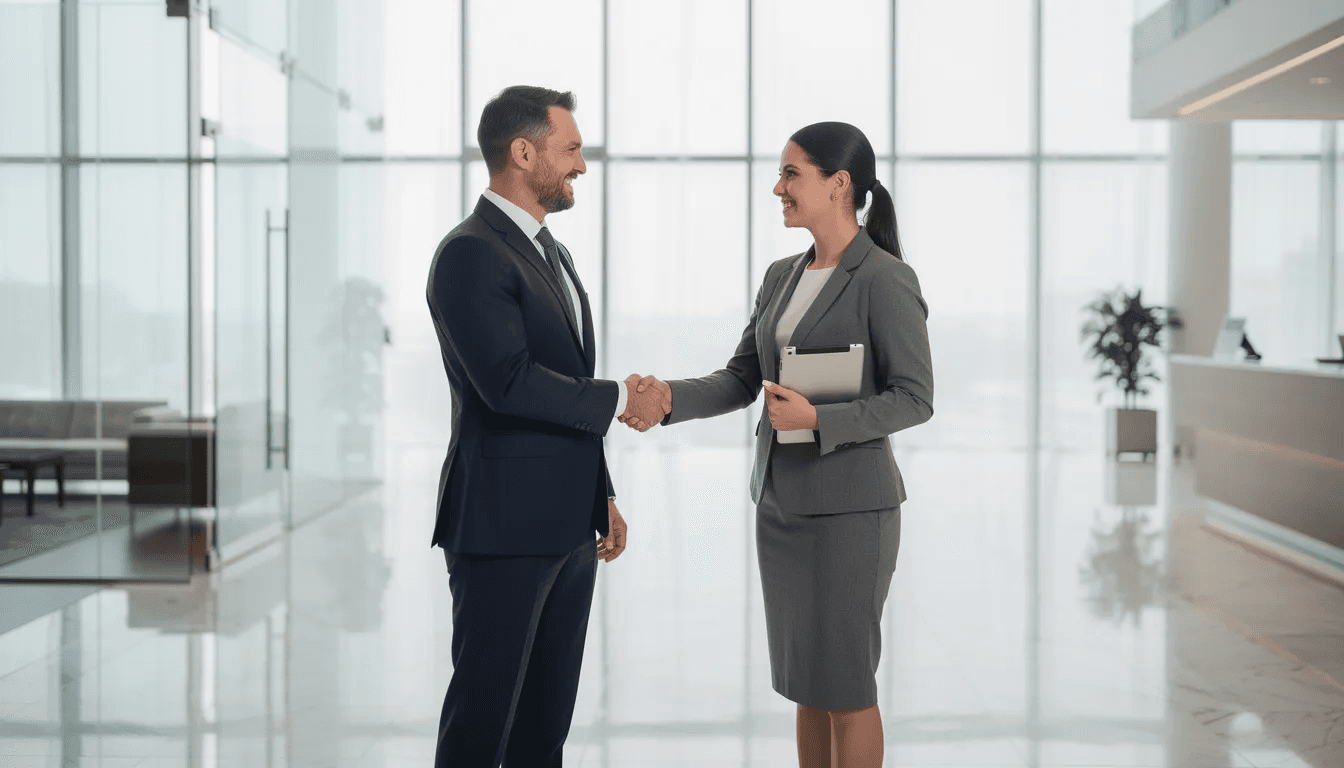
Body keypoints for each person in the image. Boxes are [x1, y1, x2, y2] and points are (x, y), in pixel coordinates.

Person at [623, 122, 934, 768]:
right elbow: (743, 378)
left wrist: (821, 420)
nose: (778, 188)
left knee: (846, 684)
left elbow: (915, 396)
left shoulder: (884, 279)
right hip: (783, 508)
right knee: (807, 684)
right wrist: (667, 400)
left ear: (839, 184)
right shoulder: (780, 276)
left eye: (792, 174)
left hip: (851, 513)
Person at [425, 85, 670, 768]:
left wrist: (602, 493)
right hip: (504, 529)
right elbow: (507, 384)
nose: (581, 166)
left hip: (566, 529)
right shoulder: (470, 253)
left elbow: (558, 380)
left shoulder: (549, 252)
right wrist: (622, 394)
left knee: (544, 725)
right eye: (570, 149)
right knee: (484, 718)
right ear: (523, 151)